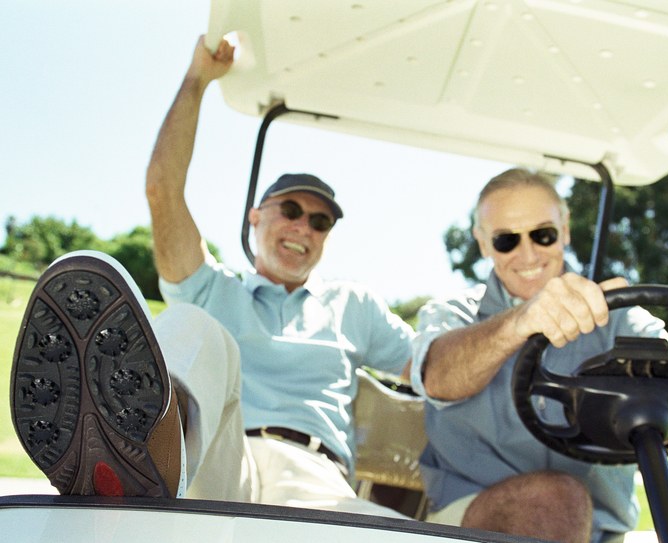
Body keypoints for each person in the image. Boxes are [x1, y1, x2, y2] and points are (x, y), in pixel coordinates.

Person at [10, 36, 413, 517]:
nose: (304, 226)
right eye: (290, 209)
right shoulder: (213, 289)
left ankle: (130, 470)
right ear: (255, 218)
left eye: (320, 221)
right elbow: (163, 189)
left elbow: (434, 368)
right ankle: (135, 454)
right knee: (196, 324)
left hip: (311, 476)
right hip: (213, 464)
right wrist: (197, 79)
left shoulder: (356, 306)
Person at [409, 168, 668, 543]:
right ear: (483, 243)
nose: (528, 253)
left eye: (543, 234)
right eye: (506, 240)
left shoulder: (622, 318)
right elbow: (438, 376)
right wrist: (520, 321)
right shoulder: (453, 316)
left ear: (564, 230)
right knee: (553, 501)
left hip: (600, 531)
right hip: (467, 520)